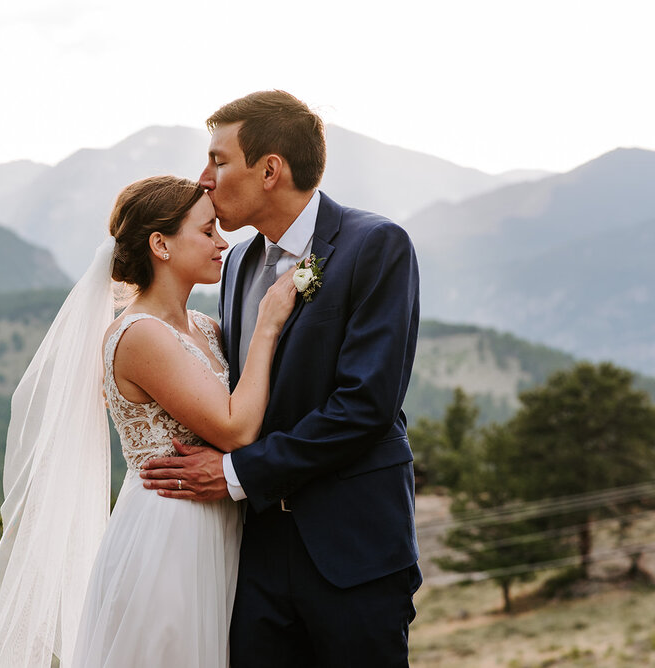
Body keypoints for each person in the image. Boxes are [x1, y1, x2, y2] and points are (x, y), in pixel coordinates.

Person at [141, 90, 423, 667]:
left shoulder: (375, 246)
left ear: (270, 170)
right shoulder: (239, 262)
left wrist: (235, 473)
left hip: (353, 552)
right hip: (255, 556)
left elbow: (364, 407)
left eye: (219, 160)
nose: (204, 178)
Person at [0, 175, 297, 667]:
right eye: (208, 230)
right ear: (160, 245)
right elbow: (235, 429)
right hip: (168, 535)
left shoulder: (206, 328)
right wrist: (268, 325)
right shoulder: (140, 335)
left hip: (218, 529)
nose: (223, 243)